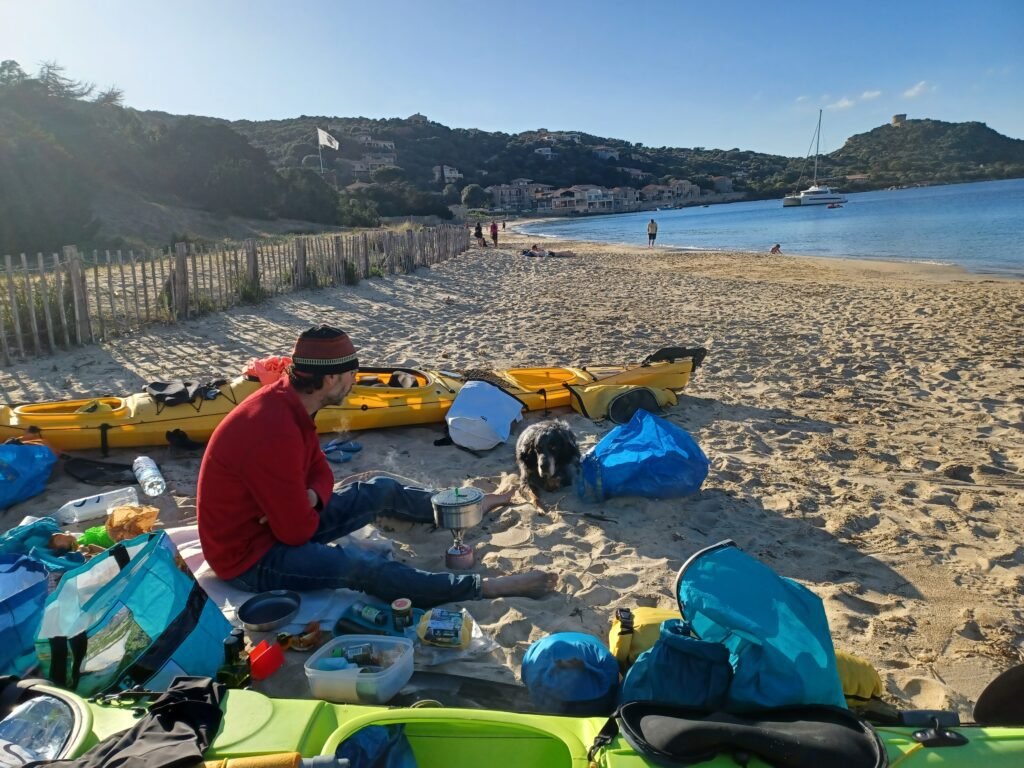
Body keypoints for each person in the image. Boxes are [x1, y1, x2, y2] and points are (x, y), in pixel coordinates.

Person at [196, 325, 556, 607]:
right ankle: (486, 587)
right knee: (362, 567)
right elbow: (297, 534)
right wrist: (307, 501)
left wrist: (310, 497)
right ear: (331, 378)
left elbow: (320, 471)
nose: (356, 381)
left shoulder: (292, 404)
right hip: (251, 557)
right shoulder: (271, 428)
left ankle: (462, 509)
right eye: (352, 374)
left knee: (378, 488)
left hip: (279, 524)